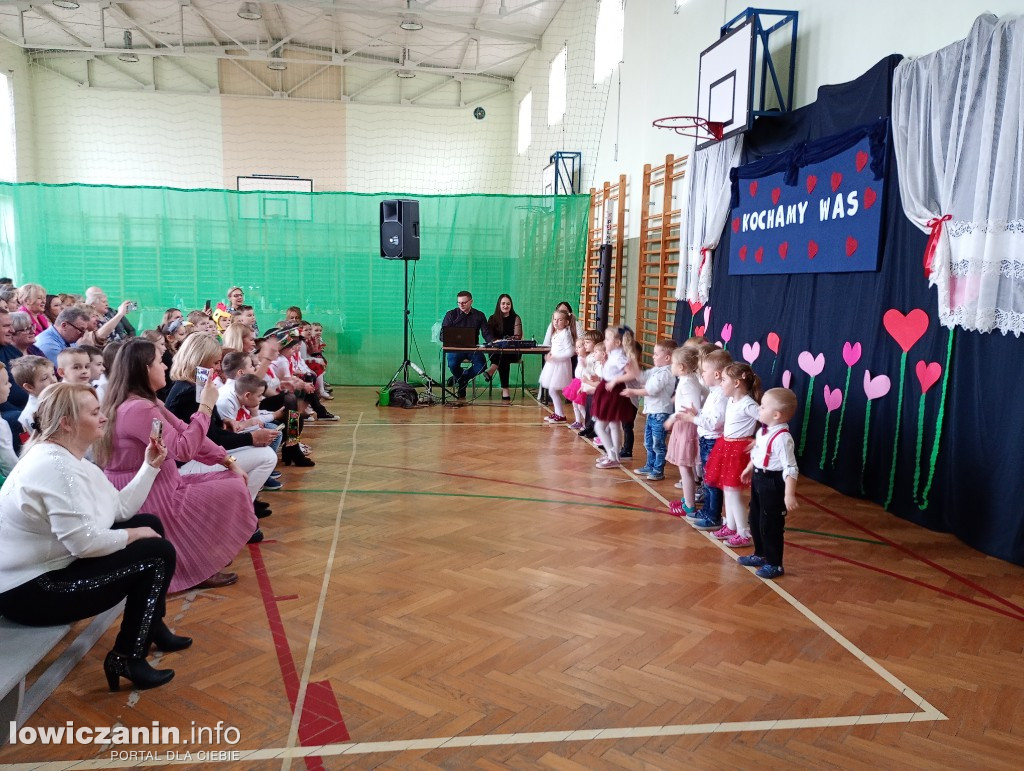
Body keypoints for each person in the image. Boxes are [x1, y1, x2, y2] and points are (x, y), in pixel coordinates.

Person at [0, 382, 188, 692]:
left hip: (51, 569)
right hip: (31, 592)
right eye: (95, 412)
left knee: (148, 522)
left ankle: (151, 624)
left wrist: (149, 466)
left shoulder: (68, 458)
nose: (104, 417)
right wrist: (133, 534)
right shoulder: (54, 466)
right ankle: (127, 657)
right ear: (67, 422)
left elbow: (120, 508)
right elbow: (84, 544)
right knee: (157, 552)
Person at [97, 338, 258, 592]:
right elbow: (183, 448)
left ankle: (202, 563)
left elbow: (185, 431)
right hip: (146, 492)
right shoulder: (137, 408)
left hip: (163, 483)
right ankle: (197, 567)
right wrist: (205, 406)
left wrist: (226, 460)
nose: (164, 367)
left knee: (232, 482)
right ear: (144, 369)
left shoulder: (146, 402)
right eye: (159, 362)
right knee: (231, 490)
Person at [164, 334, 279, 514]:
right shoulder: (190, 392)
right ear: (200, 361)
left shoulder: (193, 385)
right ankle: (241, 512)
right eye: (215, 363)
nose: (219, 368)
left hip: (197, 455)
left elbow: (210, 428)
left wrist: (225, 421)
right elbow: (212, 438)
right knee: (267, 456)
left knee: (263, 452)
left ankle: (244, 504)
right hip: (186, 464)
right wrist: (251, 438)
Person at [739, 388, 799, 579]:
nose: (759, 410)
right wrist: (750, 467)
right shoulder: (763, 431)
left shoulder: (783, 439)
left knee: (770, 523)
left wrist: (789, 494)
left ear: (776, 415)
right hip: (759, 479)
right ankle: (760, 554)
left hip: (773, 483)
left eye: (763, 407)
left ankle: (775, 563)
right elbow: (758, 452)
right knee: (755, 519)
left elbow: (791, 468)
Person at [702, 362, 762, 548]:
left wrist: (759, 440)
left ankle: (744, 533)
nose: (721, 383)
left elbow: (768, 421)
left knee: (733, 492)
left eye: (725, 380)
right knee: (727, 490)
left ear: (736, 383)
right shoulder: (731, 400)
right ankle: (731, 525)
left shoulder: (748, 404)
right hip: (726, 447)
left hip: (738, 451)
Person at [672, 348, 730, 527]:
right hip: (707, 440)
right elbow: (709, 414)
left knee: (713, 481)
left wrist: (694, 418)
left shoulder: (720, 396)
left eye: (704, 371)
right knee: (708, 479)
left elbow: (715, 423)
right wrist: (699, 413)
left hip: (713, 441)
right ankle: (707, 510)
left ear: (717, 374)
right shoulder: (714, 392)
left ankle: (713, 516)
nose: (702, 374)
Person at [623, 338, 678, 481]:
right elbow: (642, 377)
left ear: (667, 358)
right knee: (648, 442)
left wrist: (633, 392)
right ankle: (650, 465)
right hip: (652, 413)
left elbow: (651, 390)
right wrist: (632, 368)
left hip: (660, 413)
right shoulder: (656, 370)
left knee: (658, 444)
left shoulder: (665, 373)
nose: (653, 356)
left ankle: (658, 469)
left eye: (655, 354)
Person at [588, 326, 641, 469]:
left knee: (599, 426)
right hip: (607, 390)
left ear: (617, 342)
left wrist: (615, 381)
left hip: (612, 393)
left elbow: (632, 374)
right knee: (613, 424)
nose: (604, 342)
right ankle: (615, 455)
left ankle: (612, 455)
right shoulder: (613, 354)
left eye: (607, 339)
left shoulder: (620, 356)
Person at [665, 346, 704, 517]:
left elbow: (693, 406)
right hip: (685, 425)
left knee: (685, 466)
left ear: (681, 367)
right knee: (685, 466)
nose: (671, 366)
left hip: (686, 426)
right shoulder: (689, 378)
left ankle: (689, 505)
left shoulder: (689, 382)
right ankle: (687, 499)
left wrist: (673, 417)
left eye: (673, 363)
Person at [440, 291, 495, 399]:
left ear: (471, 302)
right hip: (455, 348)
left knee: (482, 366)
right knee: (452, 364)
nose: (461, 305)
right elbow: (442, 335)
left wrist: (492, 341)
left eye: (464, 302)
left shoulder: (479, 315)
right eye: (459, 303)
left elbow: (486, 333)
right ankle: (462, 381)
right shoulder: (451, 315)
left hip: (473, 348)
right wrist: (449, 338)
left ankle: (461, 379)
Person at [539, 309, 576, 424]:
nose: (556, 322)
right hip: (554, 365)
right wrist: (551, 355)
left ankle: (560, 415)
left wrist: (555, 357)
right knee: (551, 390)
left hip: (561, 366)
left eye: (560, 320)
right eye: (555, 319)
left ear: (566, 322)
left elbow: (570, 352)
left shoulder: (565, 334)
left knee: (553, 390)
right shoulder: (556, 333)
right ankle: (558, 413)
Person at [483, 294, 523, 401]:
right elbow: (489, 337)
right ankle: (505, 390)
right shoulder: (492, 318)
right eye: (503, 303)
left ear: (511, 305)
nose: (506, 306)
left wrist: (507, 340)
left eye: (508, 304)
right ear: (499, 305)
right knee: (501, 355)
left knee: (503, 356)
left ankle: (492, 370)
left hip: (513, 351)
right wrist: (496, 341)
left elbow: (518, 337)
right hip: (496, 350)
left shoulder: (516, 318)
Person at [12, 355, 57, 436]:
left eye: (53, 374)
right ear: (29, 387)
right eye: (44, 378)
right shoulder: (30, 415)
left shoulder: (59, 396)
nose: (54, 381)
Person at [562, 337, 589, 429]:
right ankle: (578, 421)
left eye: (579, 347)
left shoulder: (589, 359)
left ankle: (587, 423)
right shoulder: (579, 357)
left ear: (586, 347)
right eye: (576, 347)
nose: (577, 350)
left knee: (581, 405)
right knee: (574, 404)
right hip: (576, 382)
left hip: (583, 383)